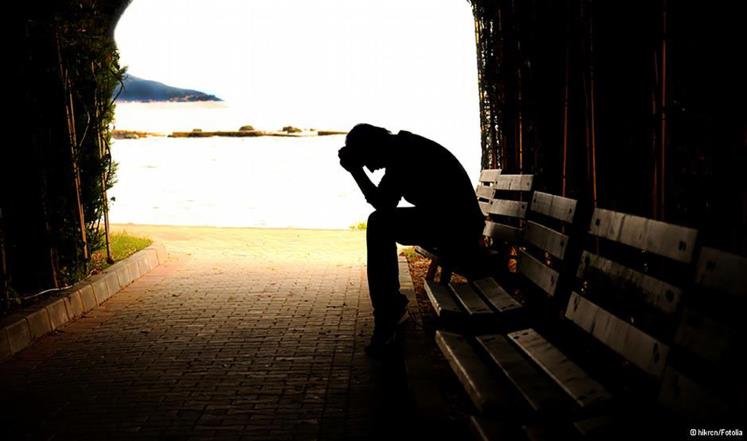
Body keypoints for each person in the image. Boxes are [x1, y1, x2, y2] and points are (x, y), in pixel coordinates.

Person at [338, 123, 485, 356]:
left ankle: (387, 314)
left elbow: (383, 203)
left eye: (367, 160)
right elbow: (384, 202)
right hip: (453, 222)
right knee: (380, 223)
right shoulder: (403, 148)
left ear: (374, 147)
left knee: (379, 224)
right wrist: (357, 168)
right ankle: (389, 308)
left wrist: (356, 171)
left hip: (457, 227)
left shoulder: (404, 154)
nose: (371, 168)